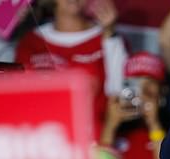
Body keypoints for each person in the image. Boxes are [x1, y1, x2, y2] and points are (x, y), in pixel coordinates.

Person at [14, 0, 127, 133]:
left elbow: (119, 93)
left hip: (91, 140)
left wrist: (110, 35)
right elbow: (18, 94)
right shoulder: (31, 41)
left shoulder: (107, 37)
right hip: (41, 137)